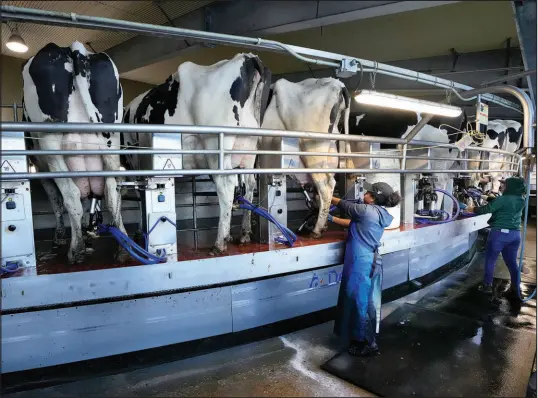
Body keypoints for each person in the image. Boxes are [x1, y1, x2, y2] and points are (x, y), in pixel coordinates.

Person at [328, 181, 401, 357]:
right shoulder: (377, 213)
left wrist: (324, 196)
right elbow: (354, 222)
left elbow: (343, 204)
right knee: (367, 301)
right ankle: (363, 338)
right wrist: (331, 219)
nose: (364, 193)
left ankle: (365, 343)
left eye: (367, 192)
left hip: (360, 262)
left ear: (373, 197)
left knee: (358, 300)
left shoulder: (365, 210)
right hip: (371, 259)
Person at [467, 176, 527, 296]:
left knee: (490, 260)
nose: (502, 186)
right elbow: (498, 202)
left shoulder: (503, 199)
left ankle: (487, 285)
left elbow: (486, 209)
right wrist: (482, 196)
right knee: (511, 262)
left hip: (499, 235)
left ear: (510, 187)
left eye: (504, 185)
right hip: (515, 235)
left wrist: (471, 208)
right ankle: (516, 286)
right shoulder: (522, 199)